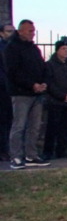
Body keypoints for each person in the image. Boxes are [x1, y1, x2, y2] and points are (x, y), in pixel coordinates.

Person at [5, 20, 49, 169]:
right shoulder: (12, 48)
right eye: (30, 31)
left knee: (35, 126)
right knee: (19, 125)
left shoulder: (34, 49)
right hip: (21, 93)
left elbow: (42, 67)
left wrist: (43, 83)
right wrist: (31, 85)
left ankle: (31, 155)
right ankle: (16, 156)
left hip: (36, 94)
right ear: (21, 31)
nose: (33, 33)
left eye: (33, 31)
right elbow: (13, 72)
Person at [42, 40, 67, 160]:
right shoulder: (50, 65)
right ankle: (48, 151)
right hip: (55, 101)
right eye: (64, 49)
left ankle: (61, 150)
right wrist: (62, 96)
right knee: (52, 128)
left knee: (65, 128)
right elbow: (50, 84)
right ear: (57, 50)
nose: (66, 51)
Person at [0, 22, 15, 161]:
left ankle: (9, 149)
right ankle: (3, 150)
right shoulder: (3, 48)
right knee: (3, 121)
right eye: (8, 31)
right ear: (2, 33)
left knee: (11, 121)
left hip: (14, 89)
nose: (12, 34)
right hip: (3, 89)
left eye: (13, 31)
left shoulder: (15, 47)